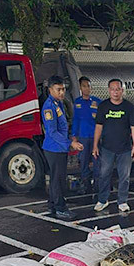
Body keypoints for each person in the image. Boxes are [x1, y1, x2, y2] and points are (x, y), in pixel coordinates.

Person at [93, 79, 134, 213]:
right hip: (107, 148)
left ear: (122, 90)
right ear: (109, 91)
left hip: (124, 149)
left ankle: (122, 201)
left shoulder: (129, 107)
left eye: (118, 89)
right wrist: (95, 145)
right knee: (104, 174)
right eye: (112, 89)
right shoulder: (103, 106)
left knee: (124, 176)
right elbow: (98, 127)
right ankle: (102, 200)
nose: (115, 92)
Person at [41, 75, 83, 220]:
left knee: (55, 179)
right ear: (50, 89)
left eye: (63, 89)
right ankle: (60, 208)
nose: (62, 92)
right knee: (58, 180)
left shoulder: (58, 104)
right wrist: (70, 143)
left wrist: (70, 138)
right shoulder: (49, 107)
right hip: (54, 148)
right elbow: (52, 132)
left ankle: (53, 204)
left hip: (59, 147)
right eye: (58, 90)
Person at [71, 76, 101, 194]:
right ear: (80, 88)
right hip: (83, 137)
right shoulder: (77, 103)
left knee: (97, 161)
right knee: (83, 161)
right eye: (84, 86)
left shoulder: (97, 102)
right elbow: (76, 120)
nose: (87, 88)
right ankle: (86, 185)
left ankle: (98, 185)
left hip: (95, 138)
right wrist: (74, 135)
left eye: (88, 86)